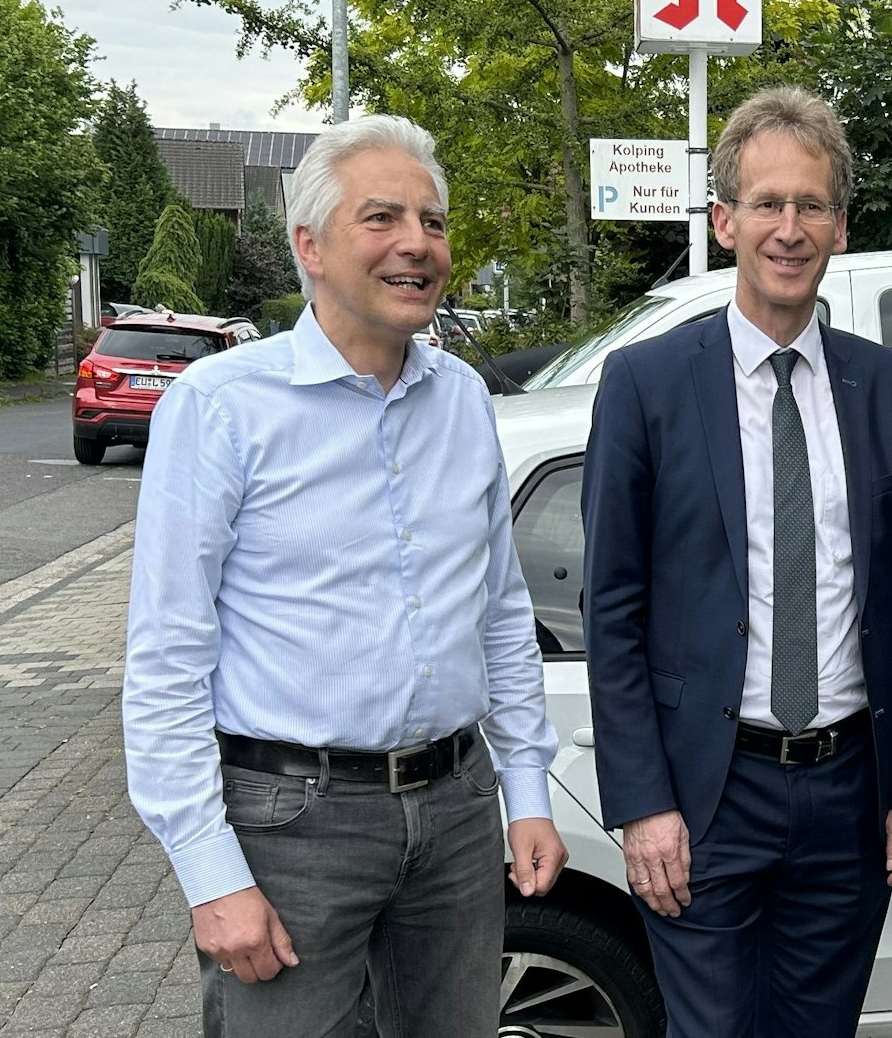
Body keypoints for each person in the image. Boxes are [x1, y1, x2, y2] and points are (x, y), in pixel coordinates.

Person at [123, 113, 567, 1037]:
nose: (417, 243)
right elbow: (167, 655)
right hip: (292, 824)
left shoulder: (464, 400)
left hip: (454, 811)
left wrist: (527, 791)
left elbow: (498, 615)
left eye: (433, 221)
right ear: (309, 245)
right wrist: (212, 873)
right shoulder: (222, 407)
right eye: (383, 218)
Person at [580, 85, 892, 1038]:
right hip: (709, 792)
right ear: (724, 219)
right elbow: (612, 608)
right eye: (768, 203)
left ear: (839, 225)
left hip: (850, 791)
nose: (790, 228)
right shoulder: (646, 384)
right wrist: (643, 803)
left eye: (812, 205)